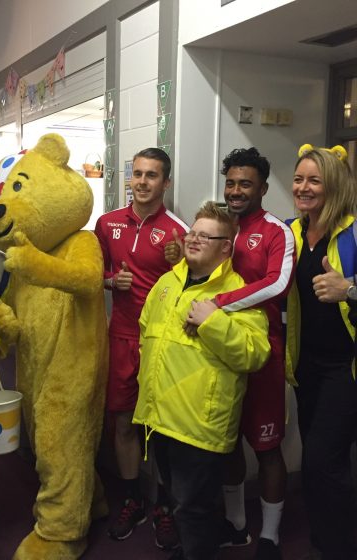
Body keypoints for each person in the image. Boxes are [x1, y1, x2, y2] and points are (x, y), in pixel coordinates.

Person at [133, 201, 270, 560]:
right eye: (193, 232)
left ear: (227, 246)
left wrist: (213, 322)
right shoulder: (167, 281)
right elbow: (146, 330)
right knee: (179, 504)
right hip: (159, 416)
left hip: (199, 424)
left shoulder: (239, 293)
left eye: (206, 236)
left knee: (194, 510)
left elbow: (255, 353)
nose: (194, 240)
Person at [94, 147, 188, 548]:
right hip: (121, 336)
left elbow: (196, 284)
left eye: (152, 175)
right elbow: (93, 272)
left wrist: (181, 259)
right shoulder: (107, 222)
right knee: (123, 423)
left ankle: (165, 506)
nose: (143, 182)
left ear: (166, 182)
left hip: (161, 343)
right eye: (137, 174)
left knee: (163, 429)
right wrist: (109, 281)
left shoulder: (177, 231)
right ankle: (132, 498)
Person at [214, 147, 295, 559]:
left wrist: (221, 302)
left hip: (263, 354)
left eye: (245, 184)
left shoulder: (279, 231)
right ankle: (237, 525)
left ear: (262, 188)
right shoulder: (216, 226)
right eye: (230, 183)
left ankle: (271, 536)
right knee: (226, 443)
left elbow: (276, 284)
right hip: (220, 353)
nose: (235, 190)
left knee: (266, 448)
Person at [285, 144, 357, 559]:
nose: (304, 187)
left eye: (314, 180)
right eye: (299, 179)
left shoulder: (351, 233)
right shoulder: (293, 233)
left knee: (322, 461)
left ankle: (338, 547)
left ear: (334, 186)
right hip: (306, 365)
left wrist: (348, 289)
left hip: (345, 367)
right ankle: (323, 538)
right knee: (321, 459)